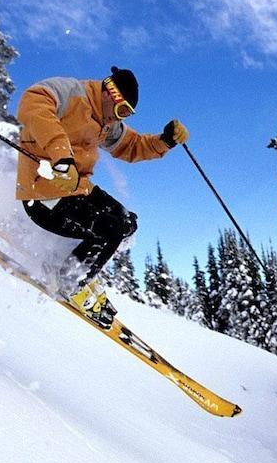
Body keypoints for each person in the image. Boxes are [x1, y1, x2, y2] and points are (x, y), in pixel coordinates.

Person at [15, 66, 188, 328]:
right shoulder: (72, 93)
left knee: (126, 222)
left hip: (76, 189)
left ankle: (67, 265)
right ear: (110, 93)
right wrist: (61, 157)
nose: (121, 118)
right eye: (122, 111)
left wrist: (164, 141)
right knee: (110, 229)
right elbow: (33, 101)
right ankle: (70, 281)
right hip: (43, 189)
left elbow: (131, 146)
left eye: (128, 114)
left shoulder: (106, 124)